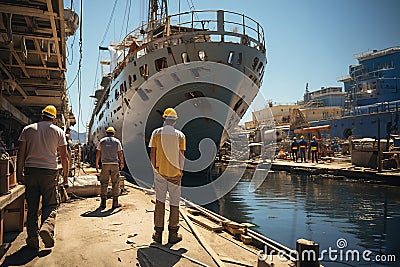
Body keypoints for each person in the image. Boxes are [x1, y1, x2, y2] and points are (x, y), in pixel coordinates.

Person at [17, 105, 69, 250]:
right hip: (49, 172)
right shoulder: (59, 132)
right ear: (54, 118)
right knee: (50, 204)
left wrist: (18, 173)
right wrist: (65, 176)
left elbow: (21, 154)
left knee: (32, 206)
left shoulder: (27, 130)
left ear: (42, 115)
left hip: (31, 171)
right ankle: (46, 227)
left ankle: (32, 239)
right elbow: (64, 157)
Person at [149, 108, 186, 244]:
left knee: (160, 201)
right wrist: (180, 171)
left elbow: (153, 153)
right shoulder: (181, 136)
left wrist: (155, 169)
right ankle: (173, 234)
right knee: (175, 203)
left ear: (164, 119)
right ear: (175, 121)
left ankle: (158, 234)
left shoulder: (156, 133)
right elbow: (181, 155)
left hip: (160, 172)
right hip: (175, 173)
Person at [95, 126, 124, 209]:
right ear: (114, 133)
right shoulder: (117, 141)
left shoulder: (102, 141)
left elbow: (98, 153)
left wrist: (97, 164)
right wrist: (122, 163)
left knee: (104, 183)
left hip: (105, 164)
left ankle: (103, 202)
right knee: (115, 183)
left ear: (106, 133)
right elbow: (120, 153)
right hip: (115, 164)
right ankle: (115, 202)